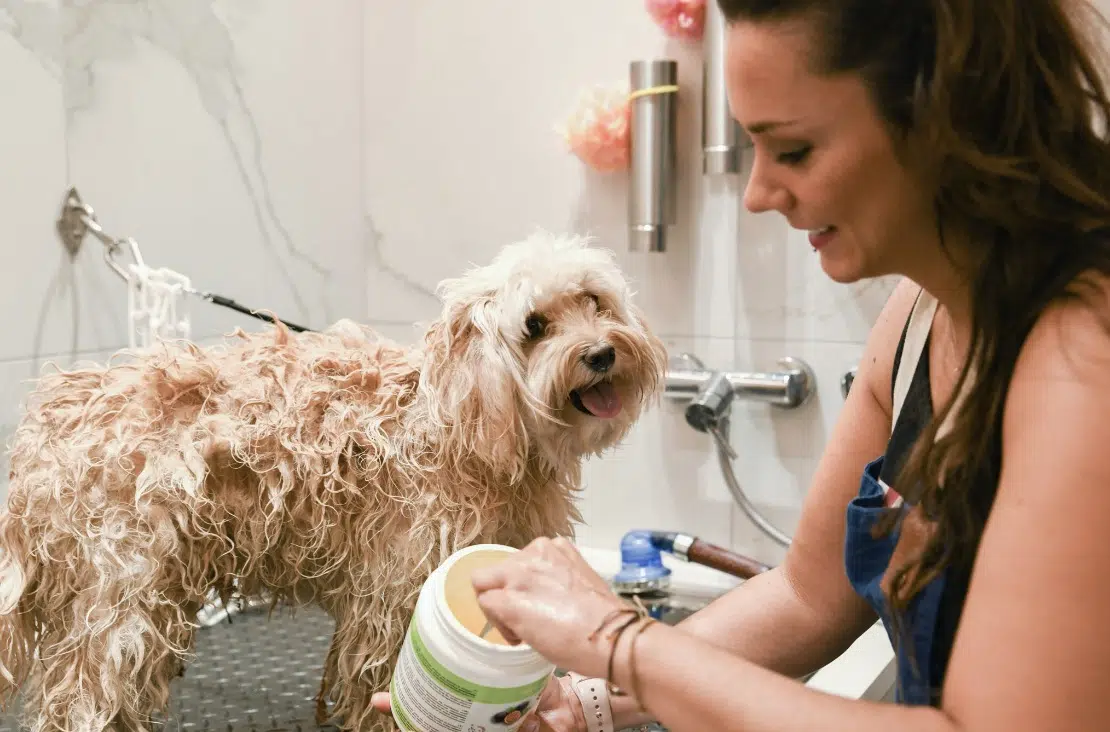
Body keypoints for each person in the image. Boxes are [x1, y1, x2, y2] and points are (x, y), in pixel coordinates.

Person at [373, 0, 1110, 728]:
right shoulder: (917, 320)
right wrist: (584, 703)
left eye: (792, 150)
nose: (758, 194)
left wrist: (620, 644)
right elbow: (806, 599)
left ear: (943, 116)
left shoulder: (1083, 361)